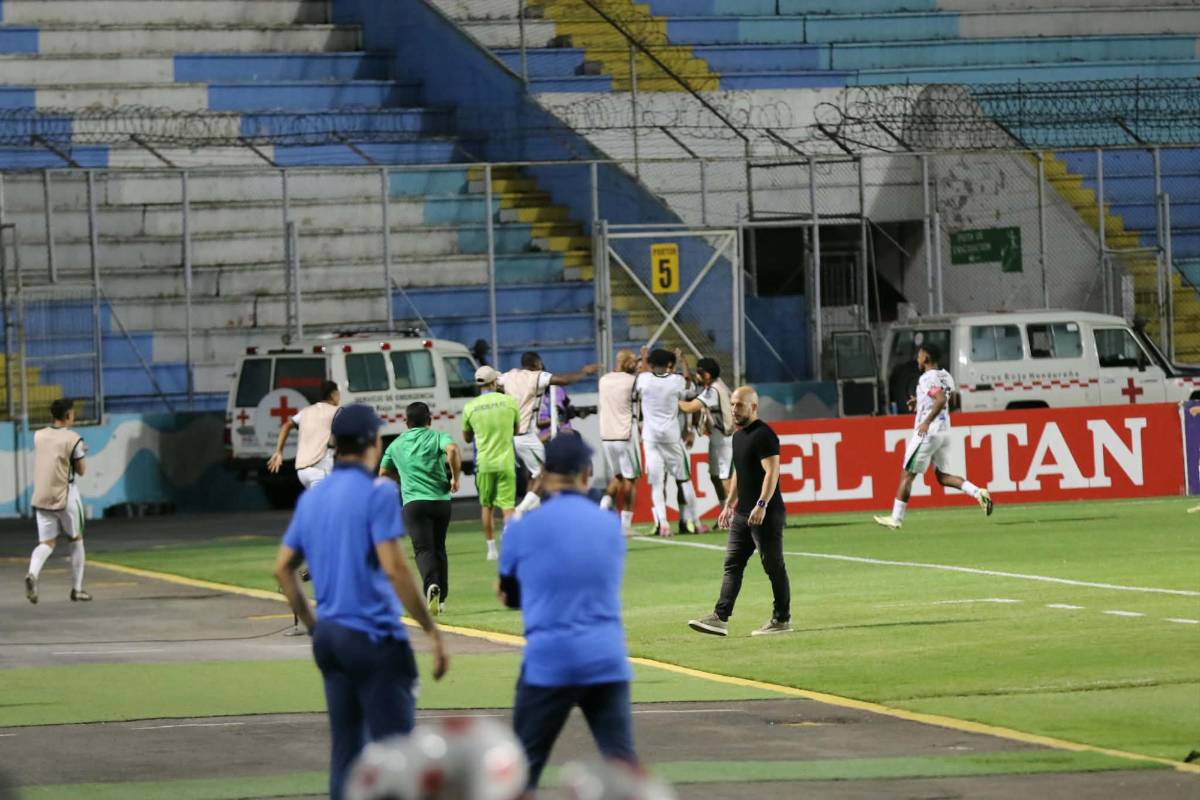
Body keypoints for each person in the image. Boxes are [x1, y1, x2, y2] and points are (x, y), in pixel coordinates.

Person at [273, 403, 449, 800]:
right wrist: (430, 629)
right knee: (396, 754)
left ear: (335, 444)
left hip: (331, 637)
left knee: (347, 751)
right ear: (373, 442)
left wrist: (315, 625)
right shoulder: (378, 492)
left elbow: (283, 569)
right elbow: (396, 569)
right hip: (373, 636)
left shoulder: (313, 499)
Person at [498, 434, 638, 792]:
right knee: (621, 766)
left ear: (543, 474)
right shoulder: (609, 527)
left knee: (522, 768)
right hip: (605, 657)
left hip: (549, 660)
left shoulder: (520, 530)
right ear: (586, 473)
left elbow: (509, 595)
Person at [688, 386, 793, 637]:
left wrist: (762, 504)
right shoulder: (738, 436)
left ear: (753, 407)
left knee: (773, 565)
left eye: (739, 405)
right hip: (742, 514)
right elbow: (739, 473)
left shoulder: (764, 435)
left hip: (764, 513)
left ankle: (782, 619)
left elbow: (772, 472)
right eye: (733, 404)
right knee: (732, 564)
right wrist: (728, 504)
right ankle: (720, 617)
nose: (734, 409)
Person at [873, 343, 993, 530]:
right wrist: (919, 402)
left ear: (926, 358)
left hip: (928, 433)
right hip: (944, 431)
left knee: (907, 474)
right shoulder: (946, 376)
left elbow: (940, 399)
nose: (917, 359)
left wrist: (926, 420)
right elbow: (947, 401)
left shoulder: (926, 379)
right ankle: (978, 492)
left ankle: (896, 518)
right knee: (943, 477)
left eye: (919, 356)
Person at [379, 401, 461, 616]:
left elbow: (383, 473)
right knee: (439, 547)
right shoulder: (437, 437)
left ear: (406, 422)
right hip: (441, 501)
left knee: (424, 550)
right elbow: (452, 450)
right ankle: (442, 600)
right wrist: (454, 478)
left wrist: (402, 478)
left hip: (414, 504)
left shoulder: (395, 445)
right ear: (429, 420)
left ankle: (431, 587)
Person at [500, 351, 600, 517]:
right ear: (535, 365)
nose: (542, 368)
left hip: (517, 437)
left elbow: (493, 381)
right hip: (527, 436)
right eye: (540, 365)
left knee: (539, 475)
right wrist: (585, 372)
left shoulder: (508, 376)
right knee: (550, 473)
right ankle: (520, 512)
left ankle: (532, 514)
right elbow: (565, 380)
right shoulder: (535, 376)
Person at [25, 398, 89, 604]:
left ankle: (32, 574)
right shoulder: (73, 438)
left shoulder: (39, 435)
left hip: (42, 496)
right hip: (66, 495)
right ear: (68, 415)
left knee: (46, 543)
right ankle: (77, 589)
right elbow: (81, 470)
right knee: (76, 539)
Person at [635, 347, 699, 537]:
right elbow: (688, 385)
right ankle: (694, 521)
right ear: (669, 365)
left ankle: (663, 524)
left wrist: (645, 357)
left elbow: (644, 373)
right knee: (684, 480)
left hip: (650, 438)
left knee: (656, 484)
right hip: (671, 438)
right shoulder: (676, 381)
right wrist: (681, 361)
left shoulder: (644, 380)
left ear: (652, 364)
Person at [463, 366, 520, 561]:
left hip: (484, 463)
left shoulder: (470, 407)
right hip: (506, 461)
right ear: (494, 382)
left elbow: (466, 437)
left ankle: (491, 549)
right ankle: (510, 545)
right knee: (508, 506)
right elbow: (516, 430)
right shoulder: (509, 402)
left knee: (486, 506)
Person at [679, 357, 735, 511]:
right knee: (715, 476)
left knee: (726, 479)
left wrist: (668, 400)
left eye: (700, 372)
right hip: (716, 438)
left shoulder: (713, 390)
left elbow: (690, 407)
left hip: (725, 440)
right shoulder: (712, 387)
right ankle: (726, 512)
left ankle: (737, 517)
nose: (697, 375)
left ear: (707, 374)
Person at [267, 380, 341, 489]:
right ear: (333, 394)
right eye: (338, 394)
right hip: (321, 470)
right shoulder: (337, 411)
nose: (340, 397)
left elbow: (286, 426)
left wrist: (279, 451)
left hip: (302, 471)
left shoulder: (306, 411)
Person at [598, 349, 641, 535]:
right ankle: (625, 525)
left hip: (607, 435)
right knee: (631, 479)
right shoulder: (632, 381)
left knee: (618, 476)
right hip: (625, 435)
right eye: (633, 362)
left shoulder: (604, 380)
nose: (636, 365)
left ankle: (603, 506)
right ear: (626, 362)